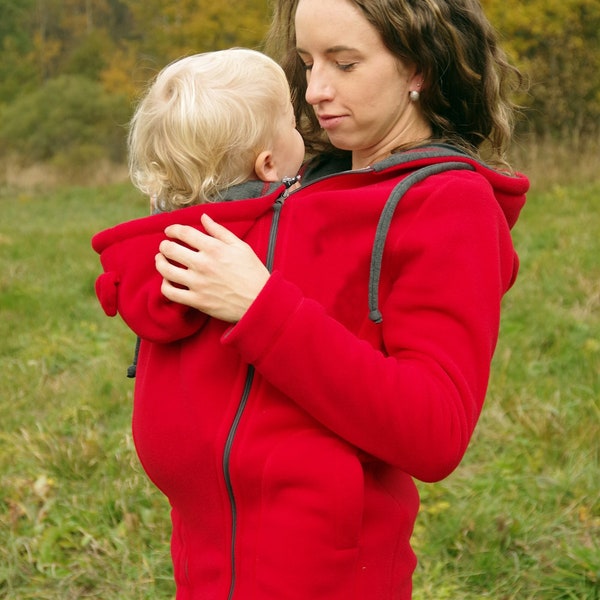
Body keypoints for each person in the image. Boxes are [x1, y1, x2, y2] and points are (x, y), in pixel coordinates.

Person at [93, 2, 529, 599]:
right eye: (306, 62)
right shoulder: (285, 181)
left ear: (417, 69)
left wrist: (261, 306)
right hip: (205, 574)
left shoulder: (450, 205)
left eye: (345, 64)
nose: (316, 90)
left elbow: (435, 430)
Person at [92, 47, 304, 342]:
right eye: (293, 124)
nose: (301, 131)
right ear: (267, 164)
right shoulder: (280, 232)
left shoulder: (159, 246)